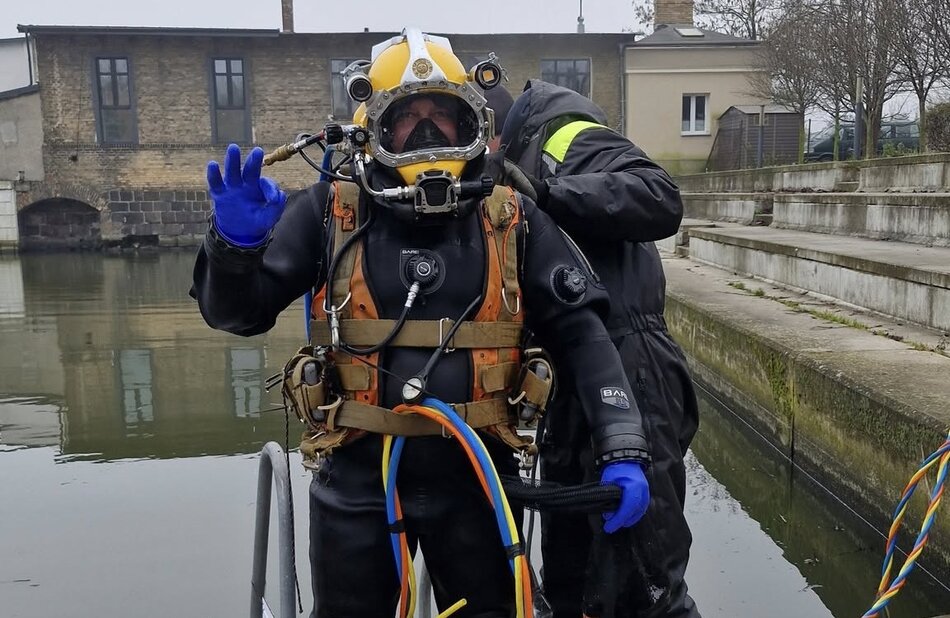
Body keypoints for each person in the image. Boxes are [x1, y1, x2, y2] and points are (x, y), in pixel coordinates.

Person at [192, 30, 653, 617]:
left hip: (482, 483)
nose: (429, 132)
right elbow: (238, 314)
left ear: (475, 125)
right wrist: (234, 249)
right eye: (409, 117)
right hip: (356, 482)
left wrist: (623, 446)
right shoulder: (332, 211)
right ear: (371, 126)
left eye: (445, 115)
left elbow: (582, 333)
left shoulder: (510, 218)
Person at [499, 80, 702, 618]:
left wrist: (548, 195)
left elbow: (660, 196)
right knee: (572, 575)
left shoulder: (565, 136)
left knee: (646, 579)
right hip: (569, 381)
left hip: (633, 372)